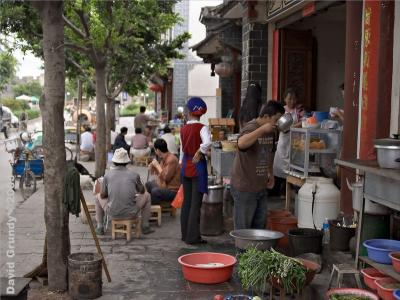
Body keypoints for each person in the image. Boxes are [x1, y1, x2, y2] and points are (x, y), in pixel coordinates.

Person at [230, 100, 285, 230]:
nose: (277, 123)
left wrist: (270, 173)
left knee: (259, 227)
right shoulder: (251, 127)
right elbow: (241, 143)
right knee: (244, 229)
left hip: (260, 186)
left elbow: (271, 152)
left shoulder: (272, 131)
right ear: (266, 117)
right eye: (276, 119)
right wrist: (261, 130)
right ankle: (241, 251)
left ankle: (255, 251)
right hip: (244, 187)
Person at [99, 148, 154, 235]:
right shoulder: (134, 175)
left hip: (113, 213)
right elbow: (142, 191)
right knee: (147, 195)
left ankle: (100, 226)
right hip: (131, 213)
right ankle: (145, 226)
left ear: (114, 162)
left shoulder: (107, 175)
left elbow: (102, 196)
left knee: (97, 196)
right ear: (127, 162)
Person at [180, 97, 212, 244]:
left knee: (186, 202)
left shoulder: (183, 128)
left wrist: (182, 164)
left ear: (189, 111)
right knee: (195, 204)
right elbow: (207, 143)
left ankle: (185, 234)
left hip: (185, 166)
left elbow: (181, 151)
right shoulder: (202, 127)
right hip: (197, 167)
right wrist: (200, 152)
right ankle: (193, 237)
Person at [272, 88, 304, 196]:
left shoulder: (299, 110)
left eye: (294, 99)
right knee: (279, 165)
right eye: (290, 98)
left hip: (295, 142)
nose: (292, 101)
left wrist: (291, 127)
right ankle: (279, 190)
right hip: (283, 142)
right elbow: (276, 124)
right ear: (285, 99)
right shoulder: (281, 110)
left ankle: (291, 190)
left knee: (293, 166)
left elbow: (304, 122)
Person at [145, 139, 181, 204]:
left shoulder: (171, 159)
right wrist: (152, 167)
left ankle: (156, 210)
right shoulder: (164, 158)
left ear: (158, 150)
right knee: (148, 184)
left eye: (155, 150)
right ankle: (154, 207)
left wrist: (157, 166)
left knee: (155, 191)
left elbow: (166, 177)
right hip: (164, 186)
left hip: (173, 190)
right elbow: (157, 173)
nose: (155, 152)